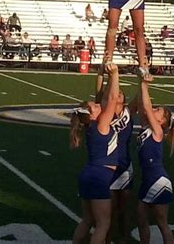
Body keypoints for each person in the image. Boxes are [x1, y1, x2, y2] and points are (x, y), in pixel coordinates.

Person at [71, 62, 120, 244]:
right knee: (103, 224)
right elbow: (113, 98)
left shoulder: (91, 125)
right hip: (100, 175)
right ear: (91, 115)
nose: (100, 106)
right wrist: (115, 74)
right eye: (96, 107)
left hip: (89, 174)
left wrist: (102, 75)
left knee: (88, 220)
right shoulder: (101, 124)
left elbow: (103, 97)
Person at [95, 61, 138, 244]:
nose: (117, 93)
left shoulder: (128, 112)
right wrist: (100, 75)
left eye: (121, 93)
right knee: (109, 209)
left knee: (124, 208)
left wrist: (143, 76)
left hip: (125, 166)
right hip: (109, 165)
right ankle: (108, 238)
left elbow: (142, 97)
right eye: (116, 92)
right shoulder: (106, 111)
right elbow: (100, 95)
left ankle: (124, 237)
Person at [136, 73, 174, 244]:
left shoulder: (158, 132)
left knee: (162, 223)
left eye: (157, 111)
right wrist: (141, 78)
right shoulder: (146, 126)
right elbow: (142, 105)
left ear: (161, 121)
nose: (153, 110)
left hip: (158, 180)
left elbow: (146, 106)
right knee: (141, 220)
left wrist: (145, 85)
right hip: (148, 180)